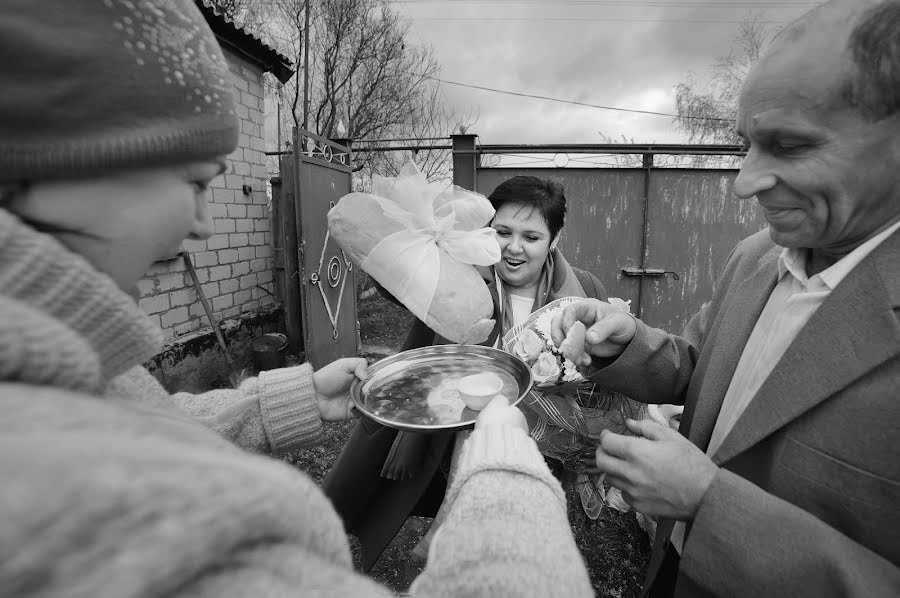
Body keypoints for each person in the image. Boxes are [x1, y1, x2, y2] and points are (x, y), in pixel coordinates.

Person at [0, 1, 595, 596]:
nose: (206, 223)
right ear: (74, 169)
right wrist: (509, 486)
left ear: (555, 240)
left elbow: (142, 427)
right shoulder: (49, 479)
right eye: (195, 181)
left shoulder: (78, 370)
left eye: (532, 237)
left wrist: (291, 396)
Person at [553, 1, 900, 596]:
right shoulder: (756, 257)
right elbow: (700, 368)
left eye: (789, 145)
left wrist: (709, 504)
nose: (744, 183)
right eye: (747, 144)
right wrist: (627, 346)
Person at [325, 175, 616, 569]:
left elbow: (606, 370)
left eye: (531, 237)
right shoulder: (459, 276)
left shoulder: (584, 290)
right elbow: (397, 285)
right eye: (503, 232)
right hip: (452, 444)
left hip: (540, 454)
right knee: (462, 549)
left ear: (555, 239)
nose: (514, 248)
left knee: (519, 552)